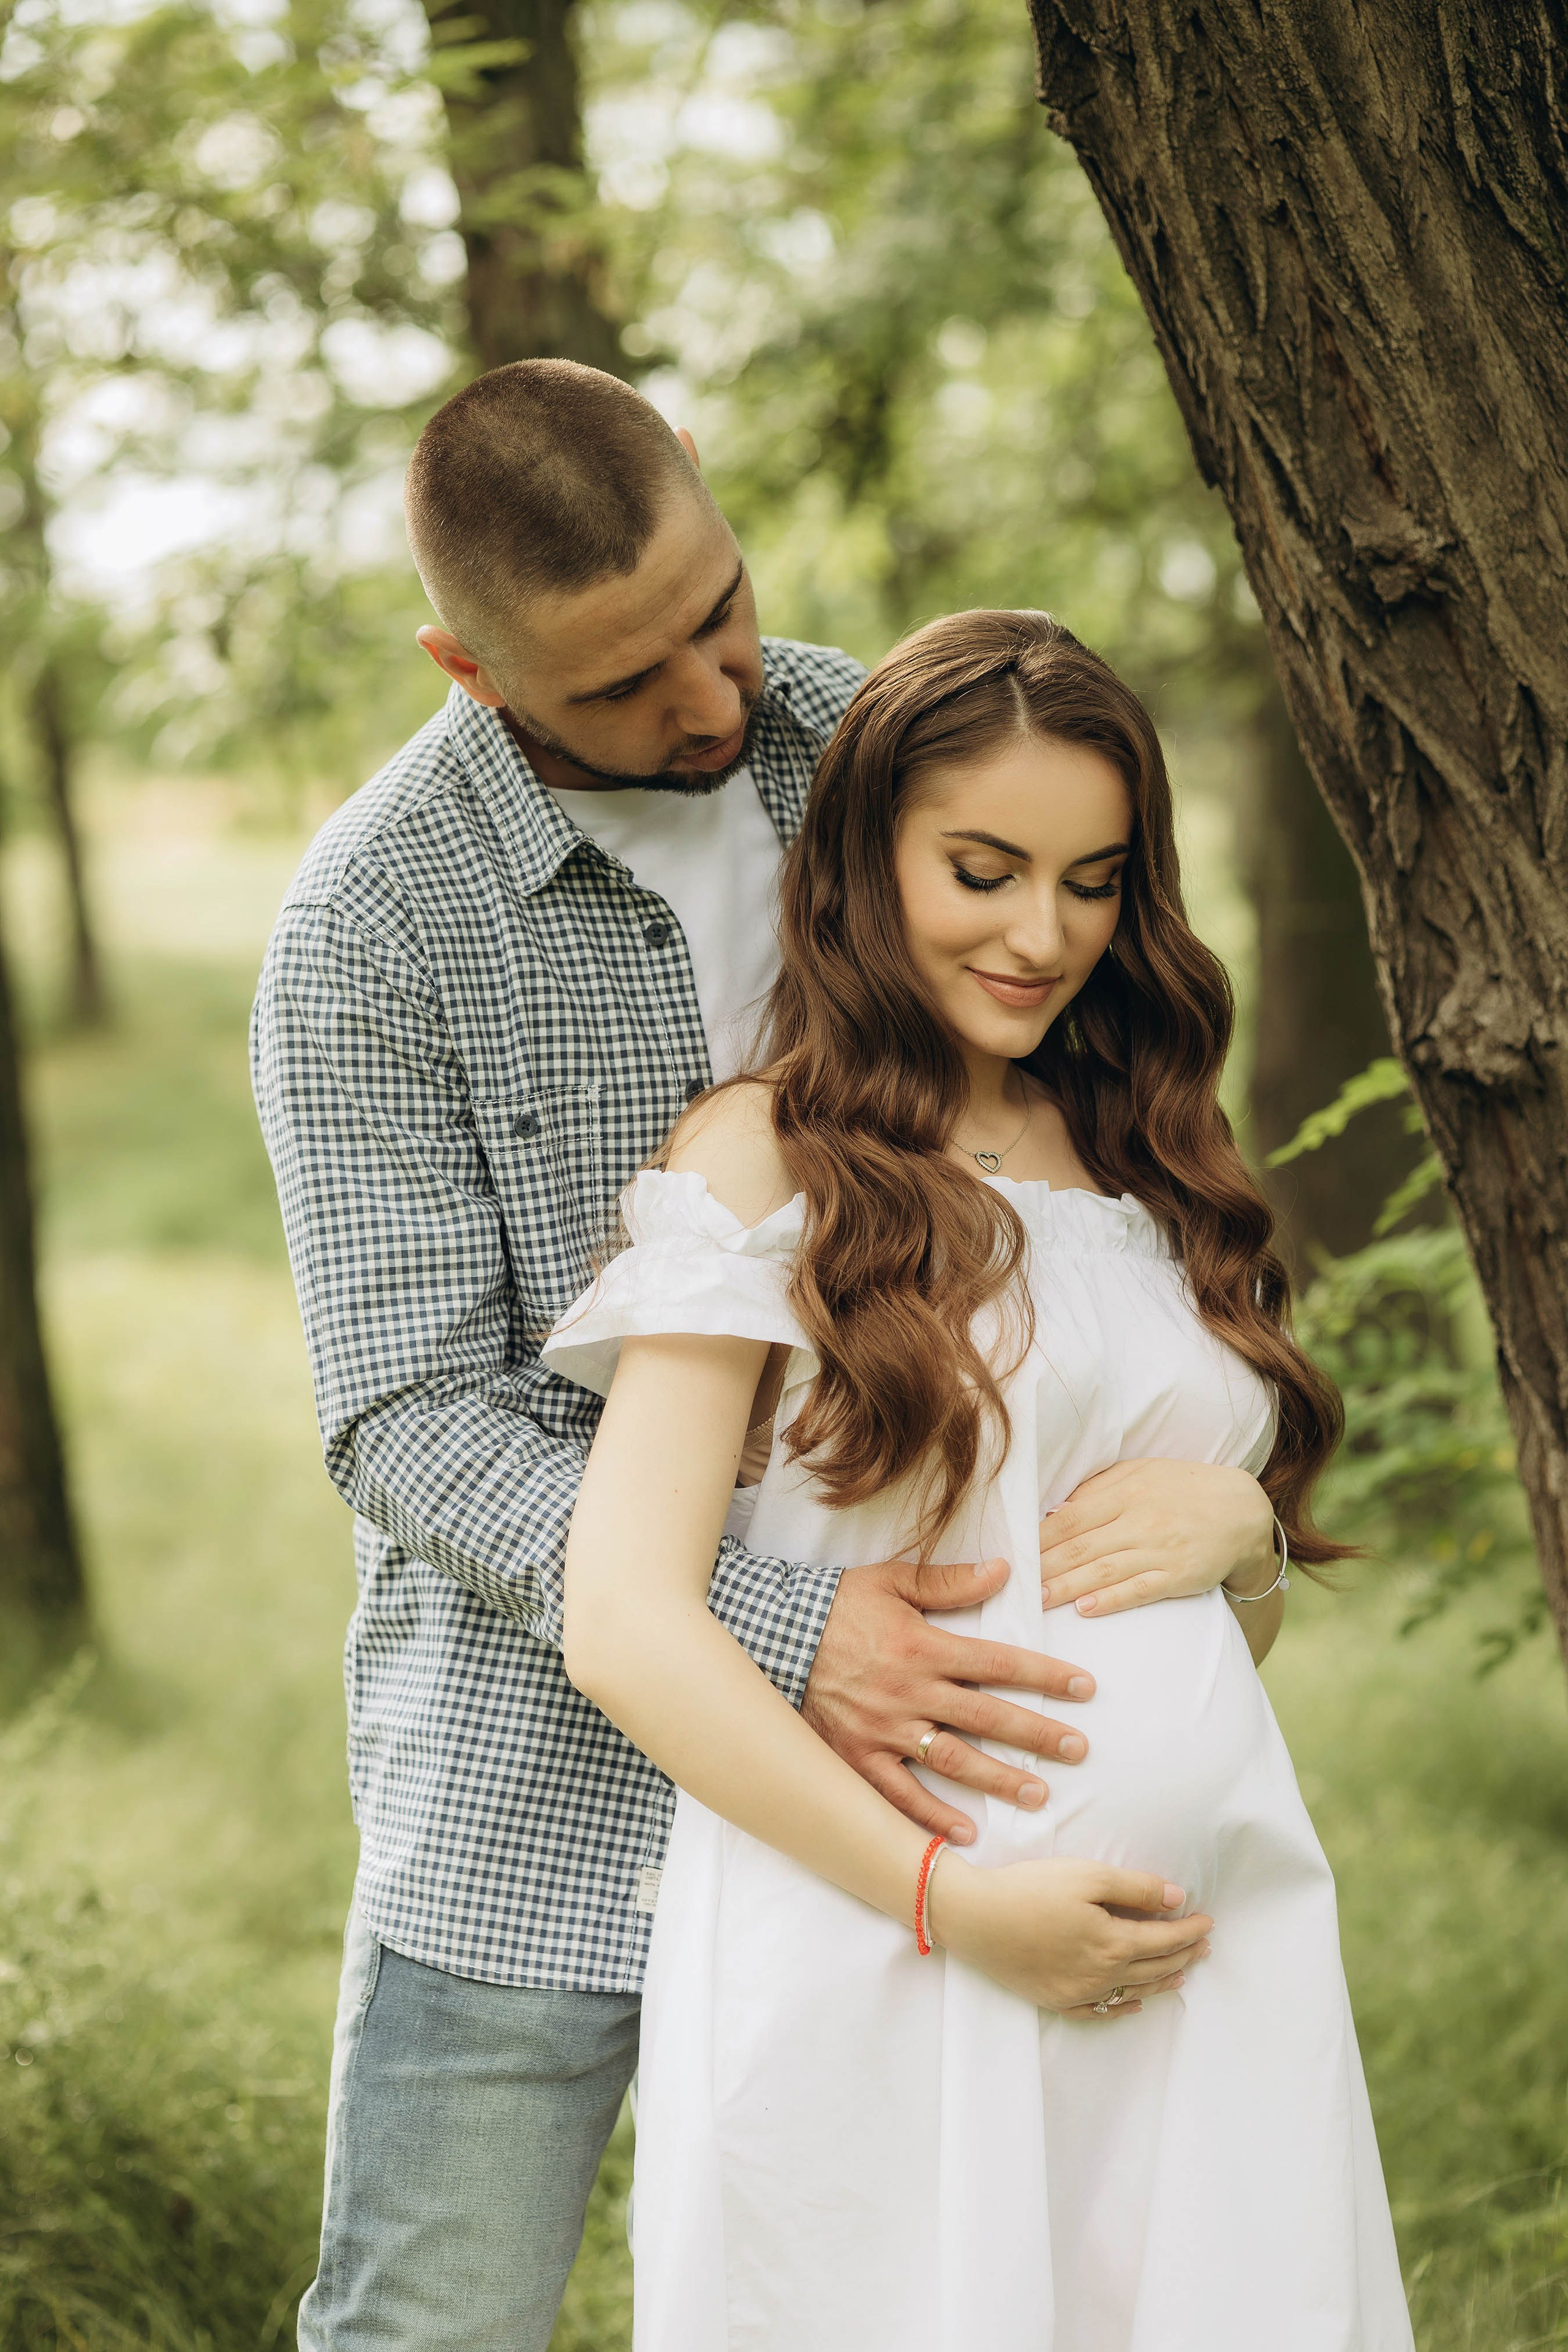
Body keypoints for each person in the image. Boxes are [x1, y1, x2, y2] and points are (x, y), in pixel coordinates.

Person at [252, 361, 1288, 2348]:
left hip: (948, 1794)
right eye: (622, 684)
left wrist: (1236, 1504)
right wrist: (782, 1629)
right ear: (465, 667)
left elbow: (1093, 1184)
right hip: (539, 1787)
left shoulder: (875, 741)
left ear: (711, 494)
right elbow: (403, 1414)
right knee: (433, 2322)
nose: (713, 704)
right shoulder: (369, 931)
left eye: (714, 612)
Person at [548, 608, 1415, 2350]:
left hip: (1199, 1955)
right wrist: (961, 1907)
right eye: (985, 869)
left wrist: (1246, 1537)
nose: (1044, 936)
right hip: (885, 1952)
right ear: (865, 857)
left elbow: (1150, 1615)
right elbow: (623, 1627)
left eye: (1093, 881)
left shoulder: (1147, 1157)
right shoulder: (764, 1158)